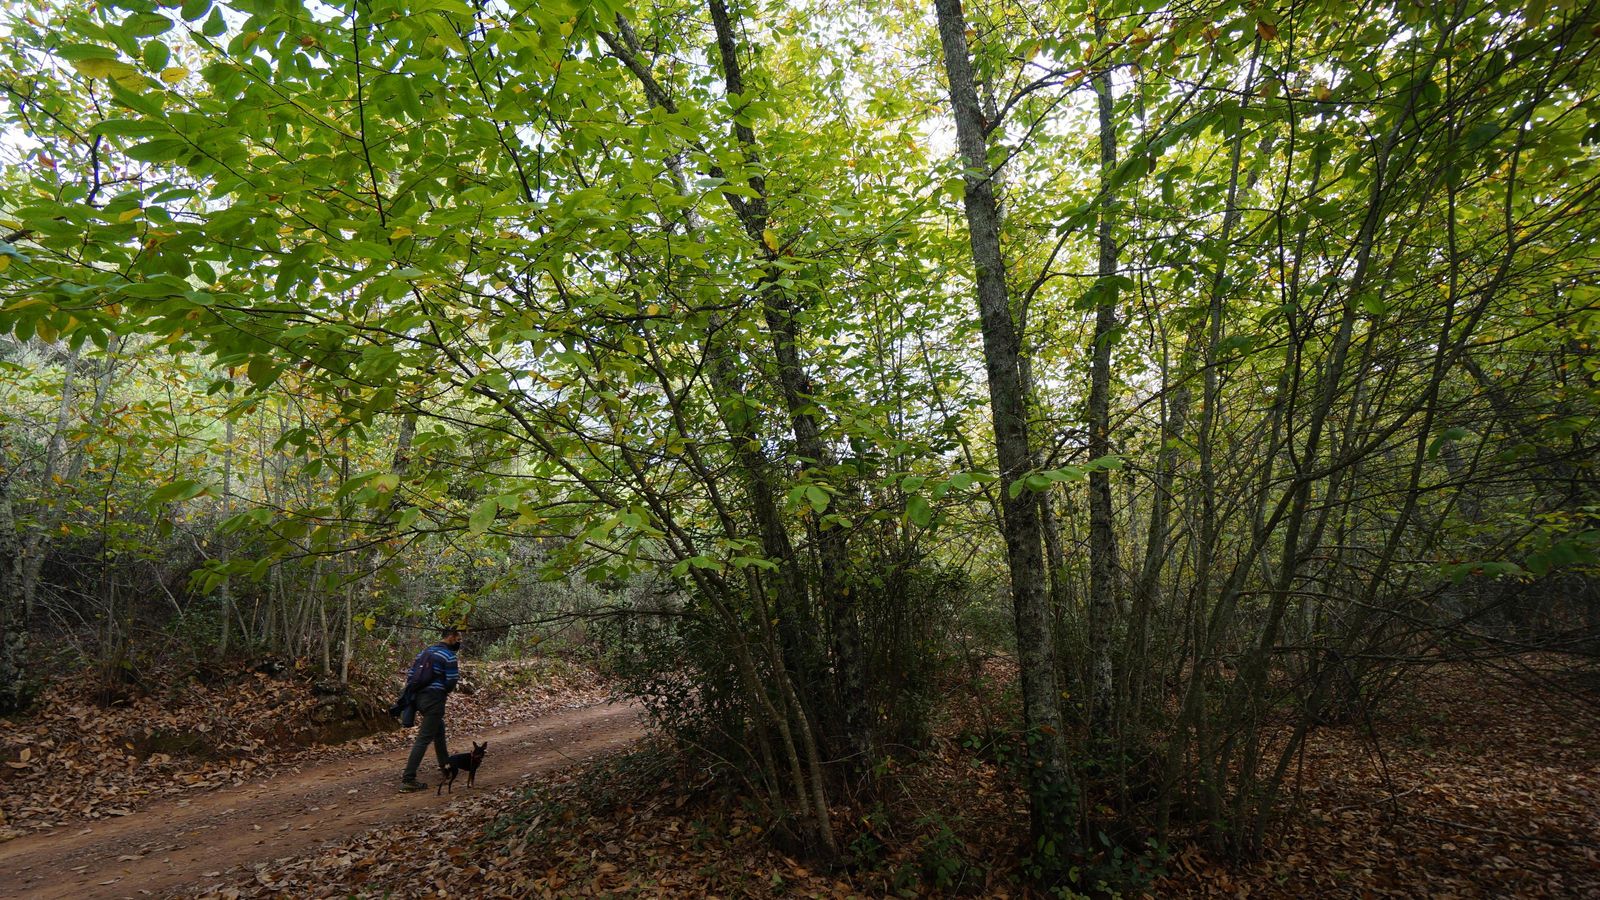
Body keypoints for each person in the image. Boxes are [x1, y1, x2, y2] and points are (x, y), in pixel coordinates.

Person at [399, 626, 462, 792]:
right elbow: (451, 681)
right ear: (451, 637)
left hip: (417, 699)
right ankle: (408, 779)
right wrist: (441, 692)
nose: (459, 642)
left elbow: (411, 675)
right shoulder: (449, 656)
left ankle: (446, 767)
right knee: (423, 738)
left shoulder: (424, 653)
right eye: (458, 638)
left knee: (438, 730)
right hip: (434, 700)